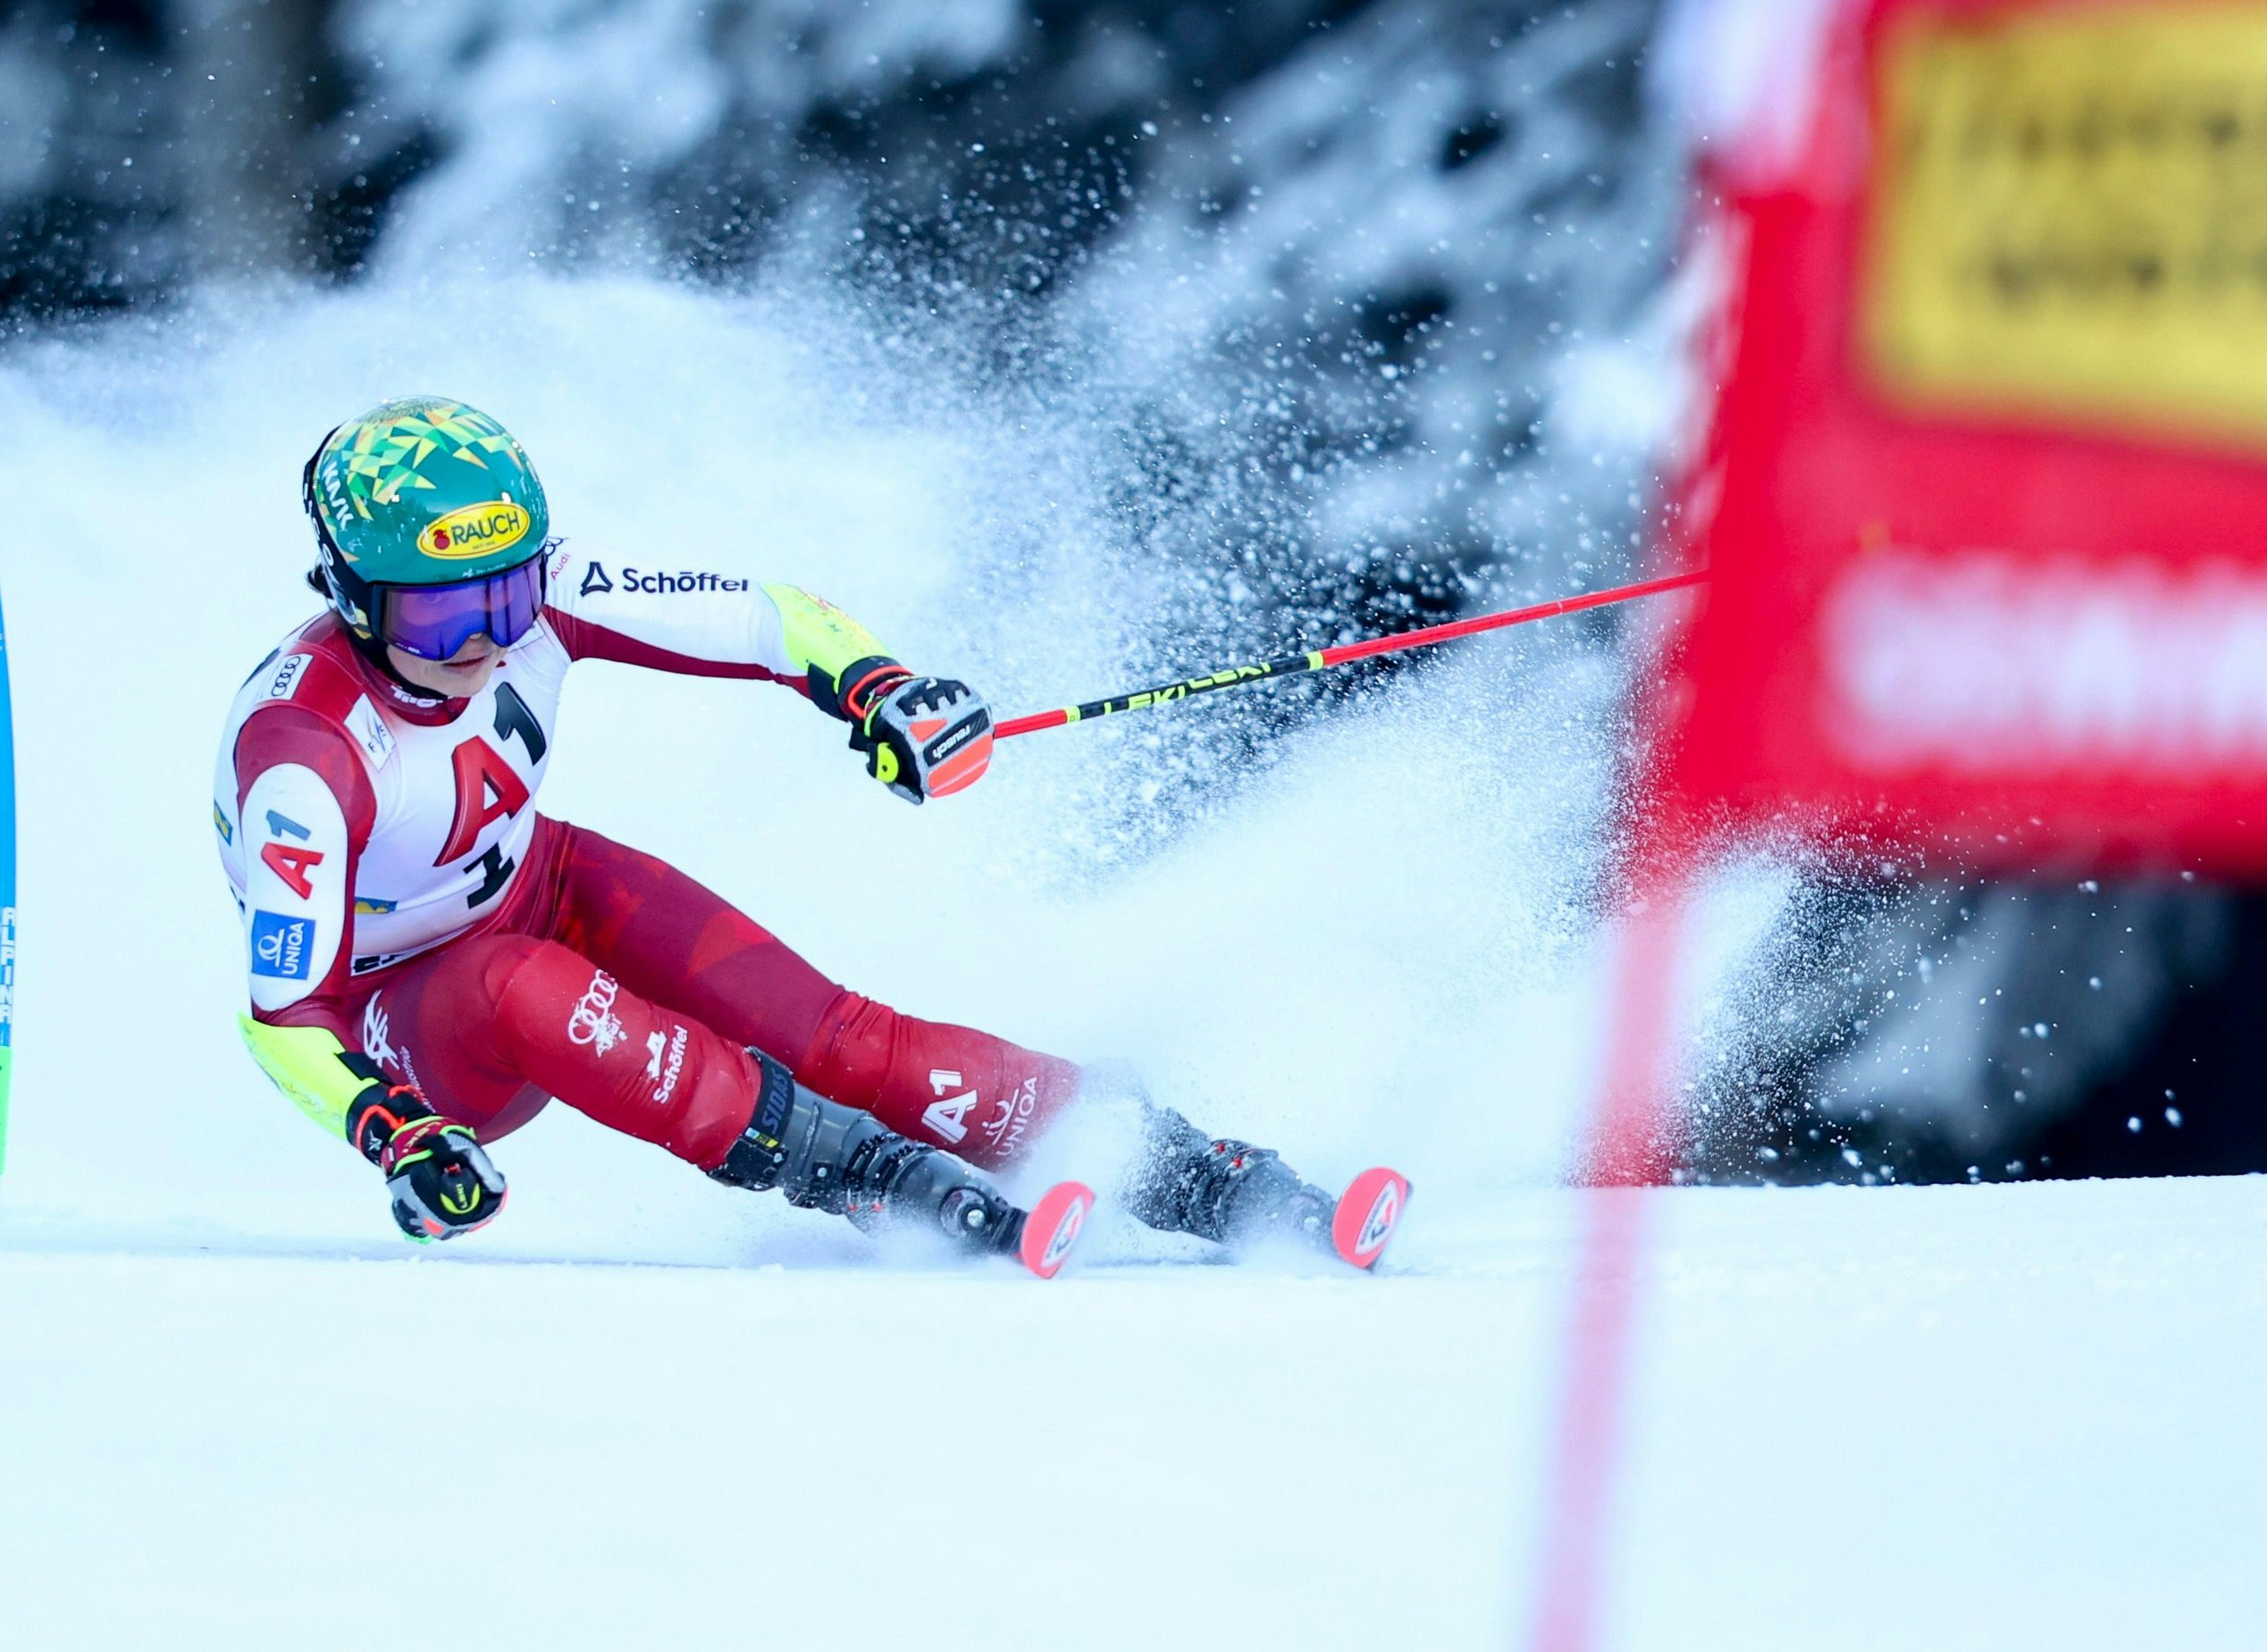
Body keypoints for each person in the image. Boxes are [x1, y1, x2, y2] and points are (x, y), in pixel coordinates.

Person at [213, 396, 1406, 1273]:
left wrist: (882, 691)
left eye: (509, 598)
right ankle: (859, 1171)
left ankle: (1188, 1164)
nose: (484, 639)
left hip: (537, 877)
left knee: (844, 1038)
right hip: (413, 1020)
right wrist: (395, 1131)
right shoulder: (304, 755)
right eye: (437, 611)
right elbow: (284, 1018)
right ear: (350, 592)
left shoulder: (545, 593)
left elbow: (770, 620)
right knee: (522, 979)